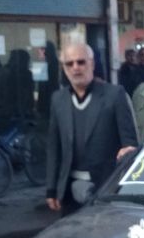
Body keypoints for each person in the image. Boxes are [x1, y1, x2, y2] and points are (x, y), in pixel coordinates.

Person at [46, 43, 138, 216]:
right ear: (64, 68)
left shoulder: (114, 95)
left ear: (92, 64)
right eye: (69, 63)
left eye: (81, 62)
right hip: (69, 191)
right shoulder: (58, 99)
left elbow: (130, 145)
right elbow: (54, 147)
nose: (75, 68)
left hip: (106, 188)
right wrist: (51, 188)